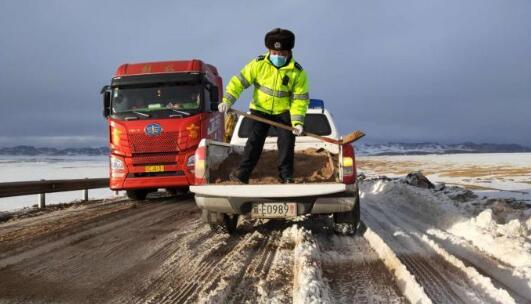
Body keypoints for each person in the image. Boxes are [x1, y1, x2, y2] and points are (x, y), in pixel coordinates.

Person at [218, 28, 310, 184]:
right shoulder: (258, 64)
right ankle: (243, 174)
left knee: (287, 143)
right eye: (274, 53)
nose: (277, 56)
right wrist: (227, 100)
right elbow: (239, 83)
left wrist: (297, 122)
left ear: (289, 52)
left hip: (283, 112)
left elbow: (300, 100)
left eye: (281, 54)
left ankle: (286, 176)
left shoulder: (297, 72)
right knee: (254, 141)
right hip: (260, 110)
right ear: (269, 50)